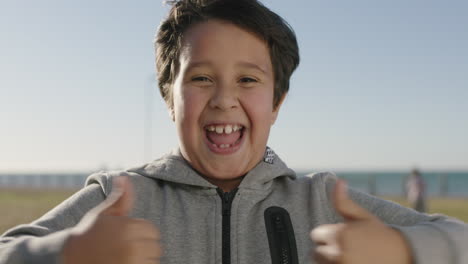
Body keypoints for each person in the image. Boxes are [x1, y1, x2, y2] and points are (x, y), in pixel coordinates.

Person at [1, 0, 467, 263]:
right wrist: (64, 254)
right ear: (169, 98)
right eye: (201, 78)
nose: (224, 99)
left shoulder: (320, 200)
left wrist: (405, 249)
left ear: (277, 102)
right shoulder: (119, 197)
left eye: (248, 80)